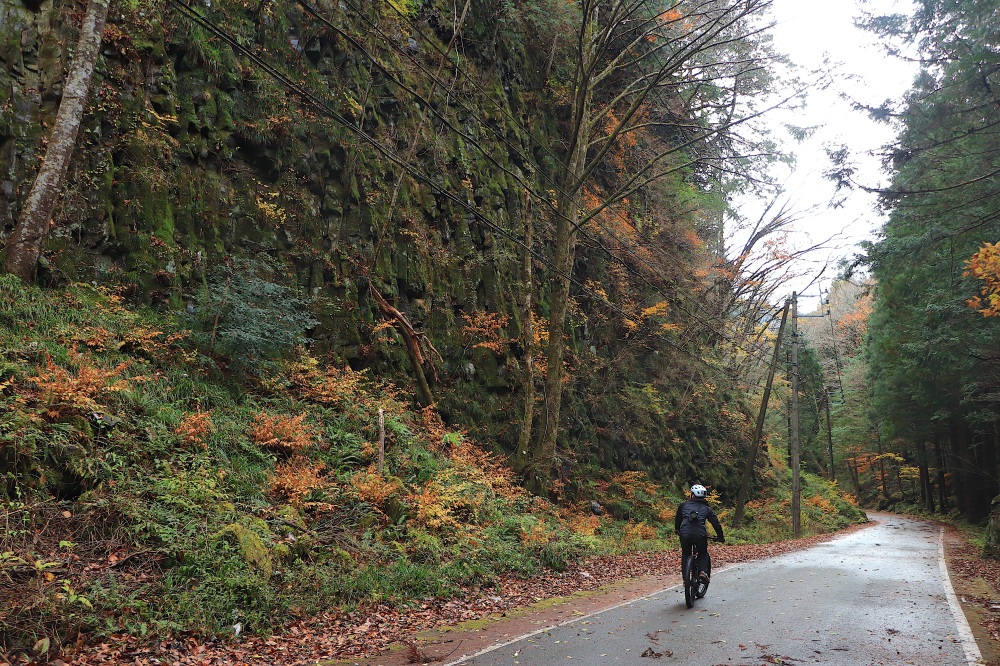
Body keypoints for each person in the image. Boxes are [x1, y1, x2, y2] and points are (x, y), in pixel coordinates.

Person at [674, 484, 724, 582]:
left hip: (685, 534)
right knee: (702, 553)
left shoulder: (683, 505)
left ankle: (686, 579)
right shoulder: (707, 509)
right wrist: (720, 537)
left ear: (692, 495)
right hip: (700, 535)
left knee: (685, 554)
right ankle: (702, 572)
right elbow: (716, 524)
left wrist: (677, 530)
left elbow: (678, 519)